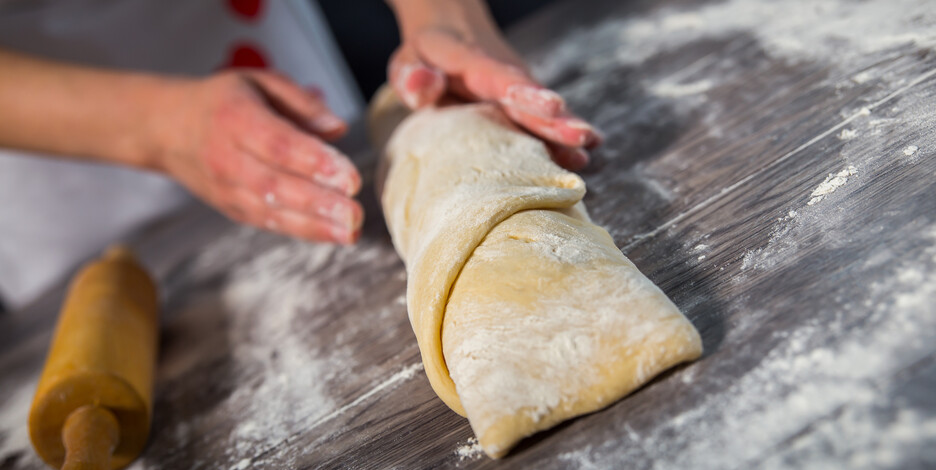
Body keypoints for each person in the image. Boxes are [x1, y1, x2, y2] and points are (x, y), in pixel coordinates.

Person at [0, 0, 599, 311]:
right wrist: (157, 127)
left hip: (274, 65)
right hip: (67, 154)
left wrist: (444, 16)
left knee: (354, 180)